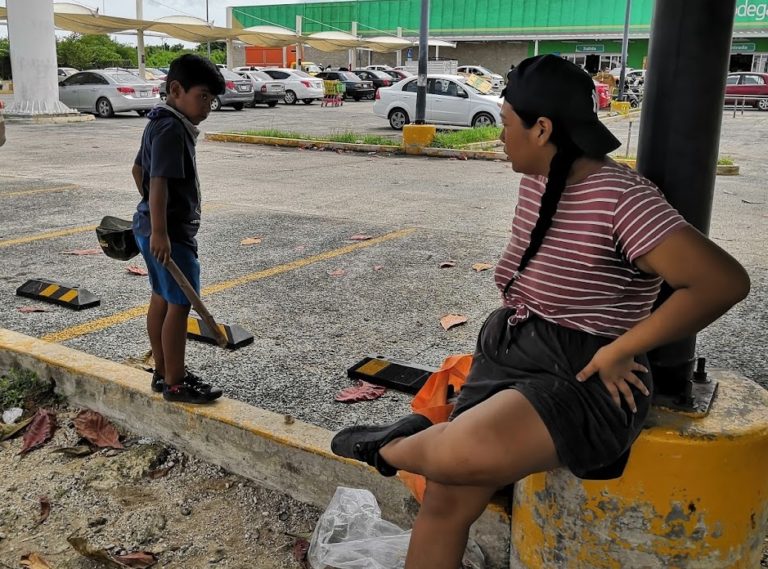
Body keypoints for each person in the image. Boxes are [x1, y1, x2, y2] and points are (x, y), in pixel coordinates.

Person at [331, 54, 750, 569]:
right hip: (513, 349)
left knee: (458, 453)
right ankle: (415, 440)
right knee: (444, 497)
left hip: (586, 370)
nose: (502, 136)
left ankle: (390, 447)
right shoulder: (540, 177)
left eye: (507, 125)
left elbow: (722, 282)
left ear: (543, 129)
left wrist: (626, 345)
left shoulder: (622, 198)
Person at [131, 54, 226, 404]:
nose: (208, 106)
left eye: (212, 100)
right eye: (203, 96)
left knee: (162, 297)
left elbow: (136, 171)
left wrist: (150, 220)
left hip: (149, 229)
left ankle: (161, 370)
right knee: (180, 305)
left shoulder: (158, 120)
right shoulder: (172, 128)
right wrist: (162, 231)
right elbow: (157, 182)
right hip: (169, 238)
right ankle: (175, 381)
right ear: (176, 89)